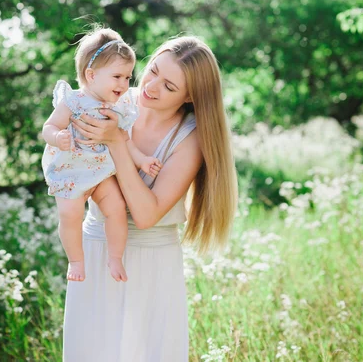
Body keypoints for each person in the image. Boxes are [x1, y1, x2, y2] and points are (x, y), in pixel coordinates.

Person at [63, 36, 238, 361]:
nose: (151, 86)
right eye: (153, 70)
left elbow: (146, 215)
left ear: (189, 97)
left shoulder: (191, 136)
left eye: (169, 86)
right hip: (96, 248)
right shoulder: (113, 100)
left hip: (151, 261)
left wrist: (117, 142)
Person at [41, 28, 162, 283]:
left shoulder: (119, 109)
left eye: (128, 77)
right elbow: (49, 127)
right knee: (70, 214)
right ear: (91, 75)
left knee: (117, 209)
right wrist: (57, 137)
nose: (123, 84)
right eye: (117, 76)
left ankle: (115, 257)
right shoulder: (73, 102)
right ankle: (76, 260)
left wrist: (142, 160)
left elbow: (124, 141)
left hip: (101, 172)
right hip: (71, 171)